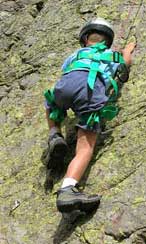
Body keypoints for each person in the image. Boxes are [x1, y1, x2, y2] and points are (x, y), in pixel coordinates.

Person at [44, 17, 136, 213]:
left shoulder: (75, 54)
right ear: (107, 41)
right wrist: (127, 52)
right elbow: (125, 65)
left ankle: (54, 134)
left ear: (86, 38)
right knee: (85, 146)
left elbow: (65, 71)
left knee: (51, 101)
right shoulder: (111, 55)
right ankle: (68, 188)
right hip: (89, 90)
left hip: (65, 85)